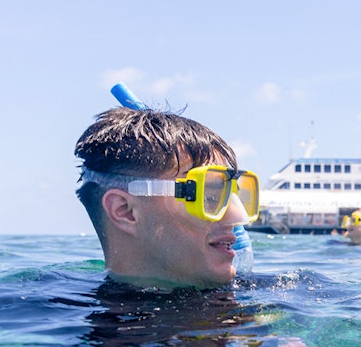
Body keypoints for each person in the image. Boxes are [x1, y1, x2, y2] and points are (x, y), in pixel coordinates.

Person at [74, 107, 259, 289]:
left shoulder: (272, 297)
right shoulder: (57, 306)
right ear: (125, 211)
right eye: (209, 197)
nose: (237, 216)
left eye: (232, 194)